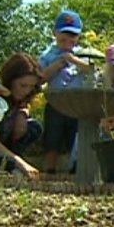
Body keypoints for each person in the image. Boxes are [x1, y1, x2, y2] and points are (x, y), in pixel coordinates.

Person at [39, 10, 91, 174]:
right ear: (55, 33)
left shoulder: (82, 53)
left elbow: (90, 70)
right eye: (63, 38)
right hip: (56, 103)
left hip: (77, 105)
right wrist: (57, 64)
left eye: (72, 38)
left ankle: (76, 171)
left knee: (75, 139)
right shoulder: (48, 55)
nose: (68, 42)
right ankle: (49, 171)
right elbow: (40, 77)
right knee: (52, 141)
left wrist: (73, 59)